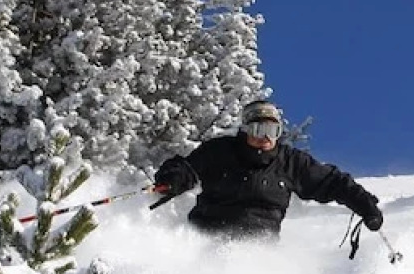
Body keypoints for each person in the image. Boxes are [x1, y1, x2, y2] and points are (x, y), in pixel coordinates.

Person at [152, 100, 383, 238]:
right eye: (258, 130)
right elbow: (186, 167)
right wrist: (173, 179)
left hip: (258, 246)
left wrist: (364, 204)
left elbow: (332, 182)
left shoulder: (290, 162)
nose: (265, 138)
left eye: (272, 131)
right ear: (245, 130)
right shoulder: (221, 151)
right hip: (209, 237)